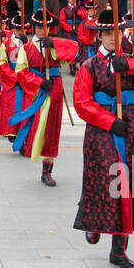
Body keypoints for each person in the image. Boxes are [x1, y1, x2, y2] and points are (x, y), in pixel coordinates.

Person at [72, 8, 134, 268]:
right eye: (107, 34)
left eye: (117, 33)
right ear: (99, 36)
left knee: (132, 186)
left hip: (132, 130)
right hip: (102, 132)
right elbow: (82, 103)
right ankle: (93, 222)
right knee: (107, 184)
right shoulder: (88, 67)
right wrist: (108, 121)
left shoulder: (131, 61)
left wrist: (131, 64)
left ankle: (119, 251)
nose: (113, 39)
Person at [10, 9, 79, 187]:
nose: (43, 31)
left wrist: (55, 44)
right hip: (37, 91)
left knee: (52, 130)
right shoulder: (26, 49)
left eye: (47, 27)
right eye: (40, 27)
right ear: (34, 27)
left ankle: (47, 171)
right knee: (37, 128)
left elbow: (73, 52)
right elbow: (21, 71)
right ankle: (27, 146)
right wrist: (39, 82)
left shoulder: (53, 44)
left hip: (54, 89)